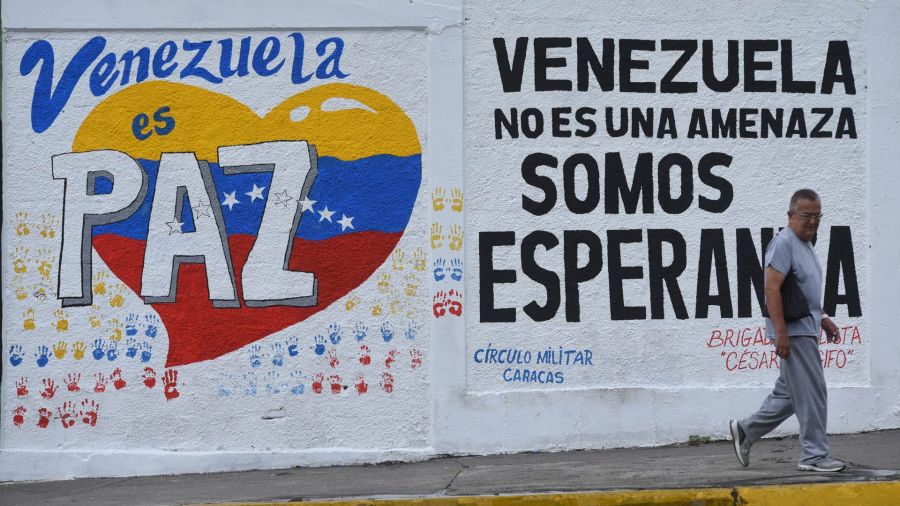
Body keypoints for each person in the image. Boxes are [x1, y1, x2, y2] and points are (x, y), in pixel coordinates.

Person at [729, 189, 845, 472]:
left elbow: (802, 291)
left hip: (804, 327)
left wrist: (823, 317)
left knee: (790, 394)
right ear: (791, 215)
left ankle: (746, 430)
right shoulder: (783, 243)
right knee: (813, 392)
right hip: (793, 333)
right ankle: (814, 456)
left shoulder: (804, 244)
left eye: (817, 216)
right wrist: (781, 333)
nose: (813, 221)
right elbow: (772, 288)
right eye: (806, 216)